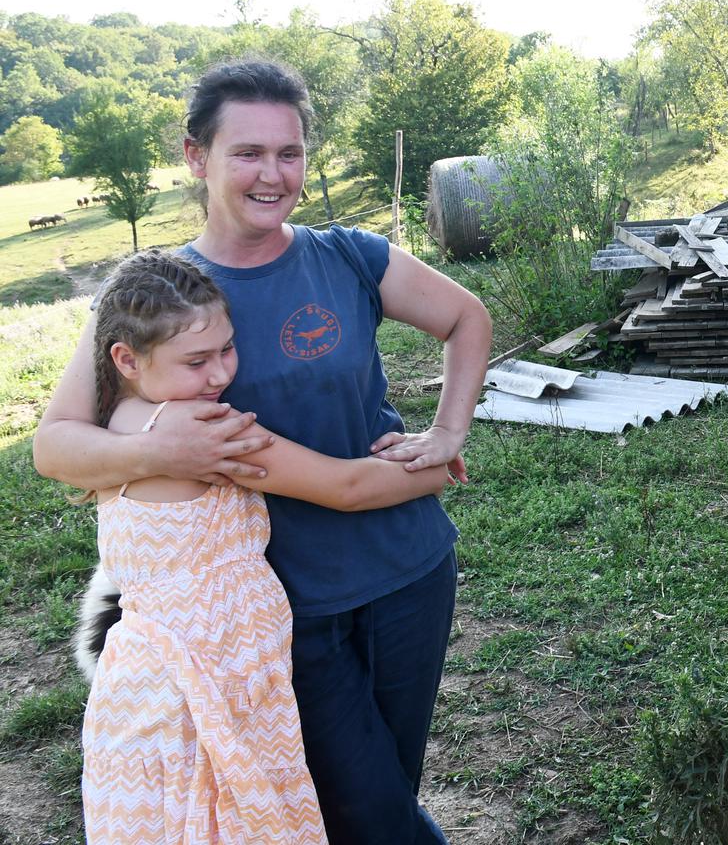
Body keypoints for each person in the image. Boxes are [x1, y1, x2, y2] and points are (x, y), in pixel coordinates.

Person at [35, 59, 493, 844]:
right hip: (284, 609)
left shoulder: (348, 255)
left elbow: (467, 318)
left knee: (388, 782)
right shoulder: (157, 297)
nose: (272, 174)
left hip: (410, 575)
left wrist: (448, 432)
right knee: (361, 813)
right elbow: (55, 446)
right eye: (247, 152)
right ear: (195, 156)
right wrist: (156, 445)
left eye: (290, 152)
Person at [72, 249, 454, 844]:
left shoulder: (112, 420)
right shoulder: (200, 435)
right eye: (196, 360)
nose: (221, 374)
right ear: (126, 358)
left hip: (155, 678)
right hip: (209, 677)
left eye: (227, 349)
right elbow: (346, 487)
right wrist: (437, 465)